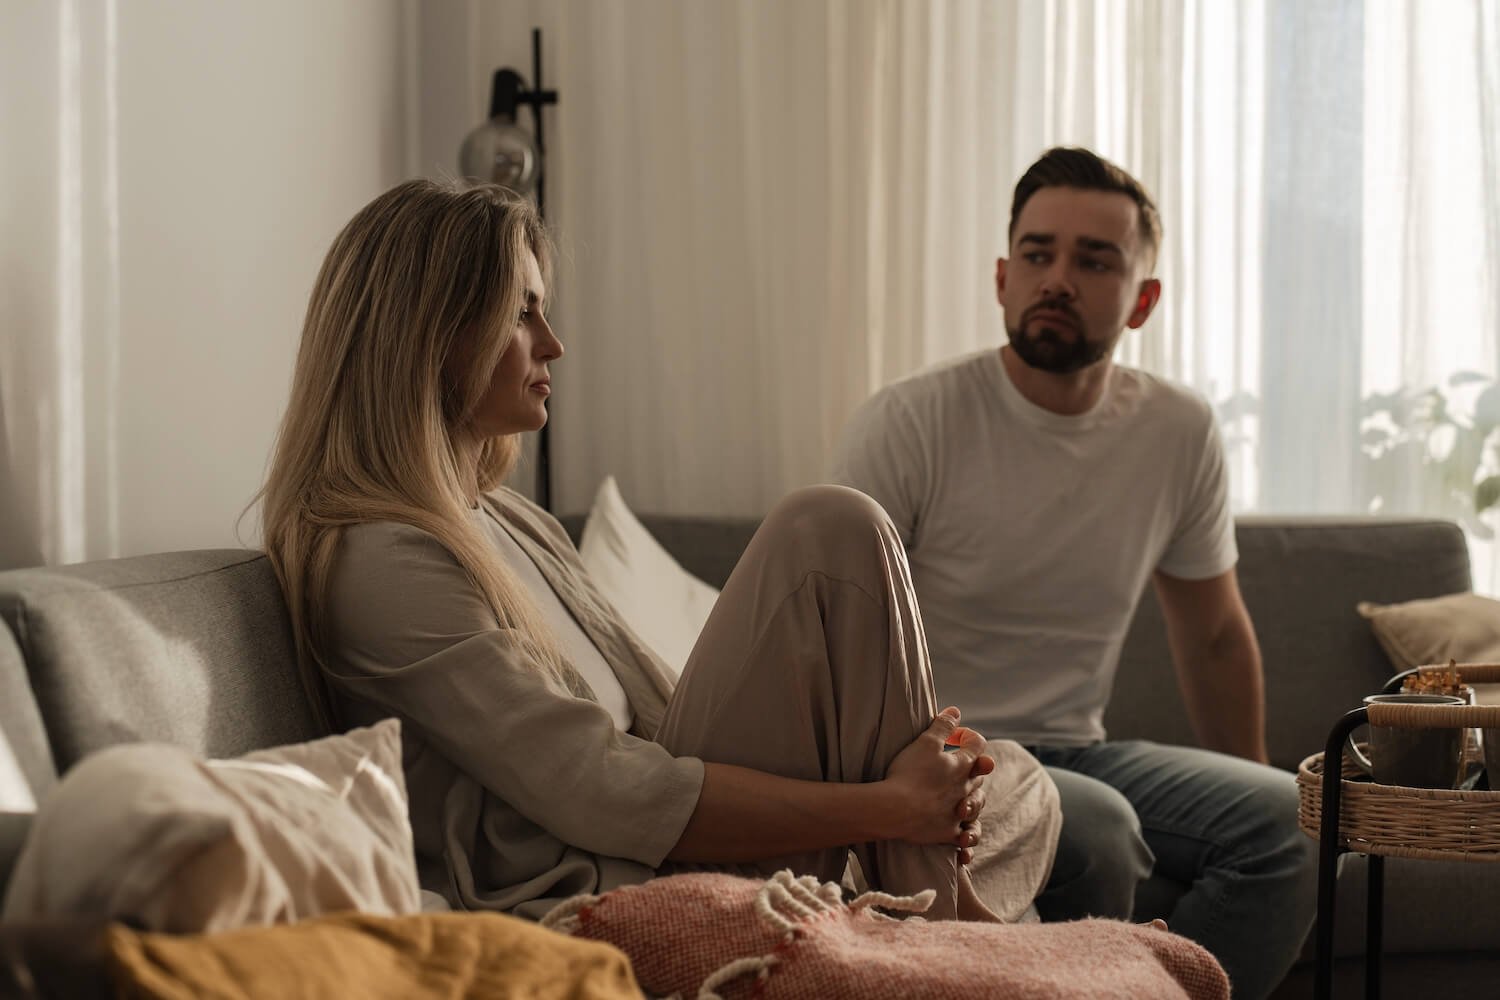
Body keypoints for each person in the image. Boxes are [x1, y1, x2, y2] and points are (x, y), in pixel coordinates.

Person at [257, 178, 1061, 927]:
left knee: (1018, 779)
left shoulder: (510, 520)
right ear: (429, 336)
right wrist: (887, 806)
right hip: (621, 879)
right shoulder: (380, 561)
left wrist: (903, 779)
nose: (554, 344)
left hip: (679, 832)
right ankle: (935, 909)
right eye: (522, 311)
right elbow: (599, 791)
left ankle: (914, 895)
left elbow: (660, 716)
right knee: (830, 532)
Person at [832, 147, 1317, 1000]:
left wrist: (1249, 783)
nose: (1058, 278)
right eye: (1037, 253)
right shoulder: (910, 421)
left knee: (1299, 820)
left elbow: (1211, 634)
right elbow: (836, 636)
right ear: (1000, 278)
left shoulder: (1177, 430)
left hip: (1084, 748)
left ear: (1143, 300)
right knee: (1102, 829)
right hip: (943, 749)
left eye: (1094, 260)